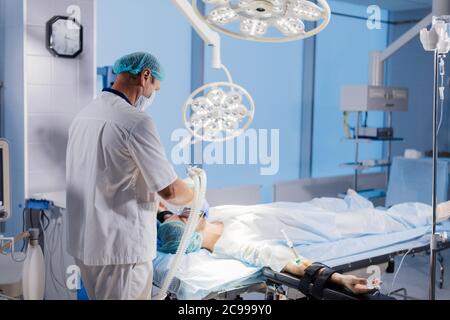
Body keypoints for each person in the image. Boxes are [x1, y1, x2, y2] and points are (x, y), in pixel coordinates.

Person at [66, 52, 195, 300]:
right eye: (154, 88)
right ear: (145, 75)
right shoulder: (135, 121)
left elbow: (108, 173)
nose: (151, 96)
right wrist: (195, 191)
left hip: (86, 244)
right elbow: (170, 191)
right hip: (121, 250)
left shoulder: (84, 115)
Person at [156, 191, 450, 298]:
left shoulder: (213, 216)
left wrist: (161, 207)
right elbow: (285, 259)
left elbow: (167, 209)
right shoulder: (234, 243)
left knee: (368, 212)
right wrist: (338, 278)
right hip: (326, 228)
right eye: (182, 218)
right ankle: (439, 212)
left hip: (311, 209)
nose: (183, 212)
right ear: (189, 236)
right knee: (384, 220)